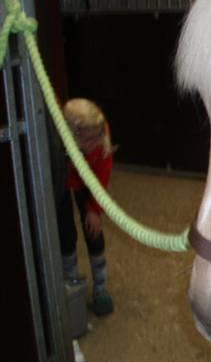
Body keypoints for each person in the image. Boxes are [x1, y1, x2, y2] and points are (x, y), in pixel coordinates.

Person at [57, 98, 115, 317]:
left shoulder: (101, 134)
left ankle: (100, 288)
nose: (97, 142)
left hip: (87, 179)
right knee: (66, 232)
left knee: (93, 230)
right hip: (62, 179)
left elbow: (102, 175)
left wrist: (93, 209)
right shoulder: (60, 139)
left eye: (99, 136)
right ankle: (72, 284)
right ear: (74, 135)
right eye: (90, 139)